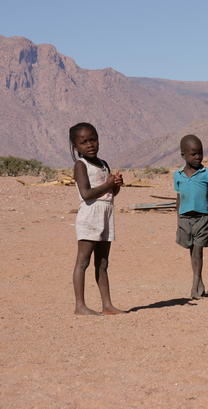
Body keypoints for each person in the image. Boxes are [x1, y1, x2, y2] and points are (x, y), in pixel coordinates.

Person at [69, 122, 125, 315]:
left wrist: (116, 184)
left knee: (102, 262)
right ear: (75, 147)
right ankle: (80, 305)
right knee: (82, 261)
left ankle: (107, 305)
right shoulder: (80, 165)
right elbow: (86, 193)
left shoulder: (103, 164)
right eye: (84, 142)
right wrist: (108, 183)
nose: (90, 145)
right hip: (90, 215)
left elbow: (110, 193)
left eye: (93, 139)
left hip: (106, 215)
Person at [174, 134, 208, 299]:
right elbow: (179, 198)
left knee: (198, 251)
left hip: (202, 218)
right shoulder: (178, 175)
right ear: (183, 155)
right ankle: (200, 282)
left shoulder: (207, 173)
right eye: (193, 154)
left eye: (200, 153)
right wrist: (178, 218)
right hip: (185, 219)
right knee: (192, 252)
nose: (198, 157)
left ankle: (194, 285)